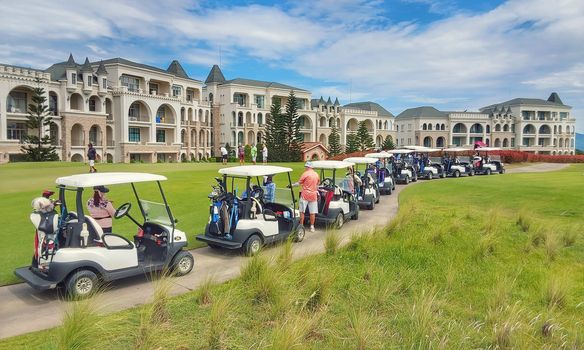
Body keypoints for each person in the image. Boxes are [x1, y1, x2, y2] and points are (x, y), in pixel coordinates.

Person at [293, 161, 320, 232]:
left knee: (302, 211)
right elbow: (317, 183)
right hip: (313, 195)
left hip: (305, 194)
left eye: (306, 167)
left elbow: (299, 183)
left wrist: (292, 185)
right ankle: (312, 226)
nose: (305, 168)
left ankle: (301, 226)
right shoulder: (316, 174)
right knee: (312, 212)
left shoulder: (305, 174)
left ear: (308, 167)